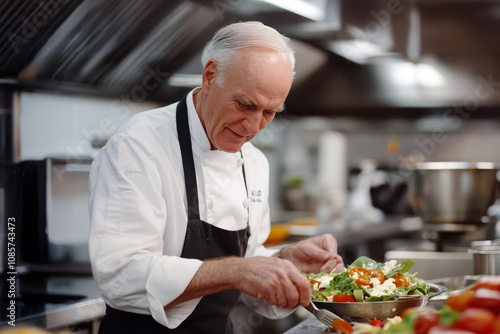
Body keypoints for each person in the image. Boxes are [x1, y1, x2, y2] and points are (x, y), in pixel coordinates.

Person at [88, 21, 344, 334]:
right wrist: (236, 271)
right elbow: (119, 275)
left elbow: (247, 266)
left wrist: (282, 263)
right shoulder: (140, 146)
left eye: (269, 112)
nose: (252, 126)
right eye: (245, 104)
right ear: (210, 76)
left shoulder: (254, 162)